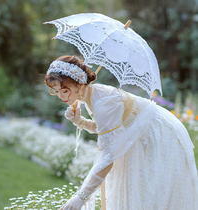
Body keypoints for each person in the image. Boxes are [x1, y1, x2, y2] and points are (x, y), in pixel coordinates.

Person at [45, 55, 198, 210]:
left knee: (149, 193)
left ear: (80, 84)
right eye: (56, 91)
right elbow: (109, 129)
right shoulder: (90, 94)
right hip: (134, 134)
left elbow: (108, 156)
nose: (61, 96)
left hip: (155, 134)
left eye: (65, 90)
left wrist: (81, 197)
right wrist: (81, 122)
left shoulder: (102, 103)